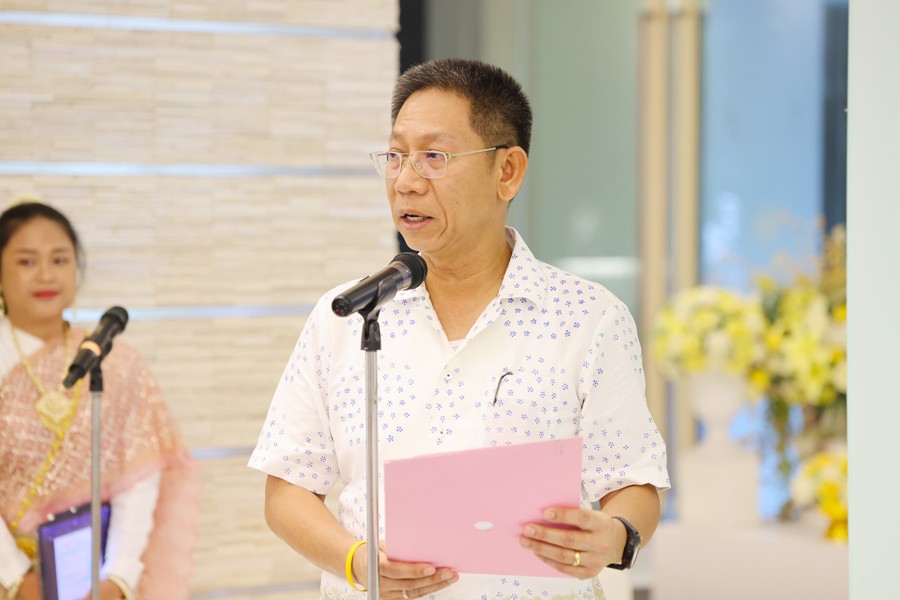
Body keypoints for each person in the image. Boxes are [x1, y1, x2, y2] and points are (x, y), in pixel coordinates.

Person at [250, 58, 669, 599]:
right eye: (396, 156)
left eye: (434, 157)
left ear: (507, 171)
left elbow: (634, 481)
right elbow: (287, 488)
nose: (406, 182)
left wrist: (614, 537)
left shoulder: (588, 317)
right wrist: (358, 562)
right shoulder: (349, 314)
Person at [0, 201, 200, 599]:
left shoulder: (114, 362)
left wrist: (119, 575)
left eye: (60, 259)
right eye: (27, 261)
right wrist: (17, 577)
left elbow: (137, 475)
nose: (46, 274)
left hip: (94, 574)